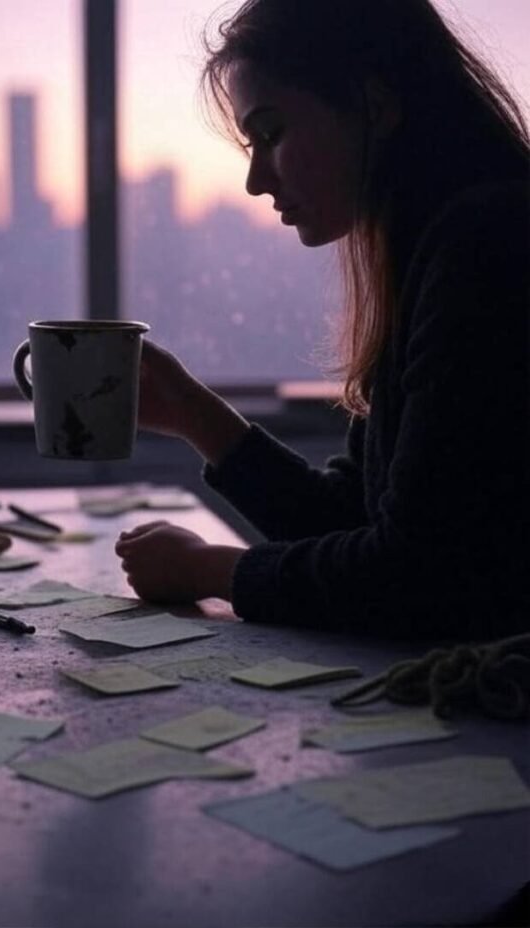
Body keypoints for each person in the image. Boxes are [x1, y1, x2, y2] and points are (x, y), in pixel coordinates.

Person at [115, 0, 529, 640]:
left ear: (376, 107)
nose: (255, 179)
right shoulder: (443, 244)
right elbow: (362, 525)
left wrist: (211, 570)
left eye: (271, 134)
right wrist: (197, 417)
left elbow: (420, 573)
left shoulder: (485, 248)